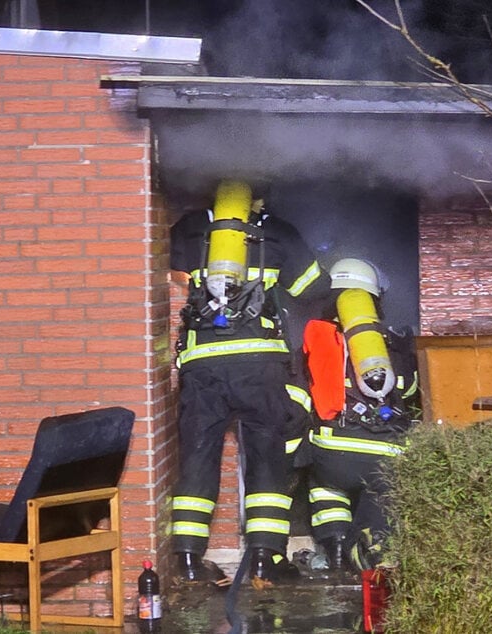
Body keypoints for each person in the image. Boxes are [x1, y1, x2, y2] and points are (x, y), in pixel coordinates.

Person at [169, 180, 331, 584]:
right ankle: (264, 559)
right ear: (257, 196)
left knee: (197, 456)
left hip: (201, 364)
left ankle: (187, 561)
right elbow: (314, 289)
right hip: (260, 365)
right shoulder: (276, 231)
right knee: (267, 458)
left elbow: (169, 280)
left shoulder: (187, 229)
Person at [299, 257, 419, 572]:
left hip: (334, 447)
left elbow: (305, 391)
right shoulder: (389, 342)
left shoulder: (320, 339)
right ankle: (370, 552)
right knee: (379, 490)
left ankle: (336, 546)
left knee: (324, 482)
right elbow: (408, 391)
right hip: (384, 452)